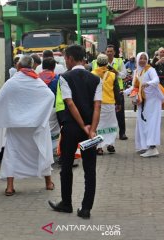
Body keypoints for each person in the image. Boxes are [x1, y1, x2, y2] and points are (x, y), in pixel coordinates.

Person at [0, 55, 55, 196]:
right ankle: (48, 183)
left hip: (16, 127)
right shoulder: (37, 81)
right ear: (32, 66)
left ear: (19, 66)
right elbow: (50, 96)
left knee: (12, 154)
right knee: (42, 150)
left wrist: (11, 115)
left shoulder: (12, 82)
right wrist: (38, 115)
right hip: (35, 126)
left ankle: (10, 187)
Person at [48, 45, 101, 219]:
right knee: (90, 169)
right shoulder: (95, 79)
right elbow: (97, 106)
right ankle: (86, 208)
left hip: (71, 128)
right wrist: (91, 129)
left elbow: (69, 103)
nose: (65, 61)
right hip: (89, 132)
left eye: (65, 58)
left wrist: (81, 125)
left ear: (70, 58)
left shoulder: (65, 77)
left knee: (66, 166)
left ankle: (66, 203)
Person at [125, 52, 163, 157]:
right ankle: (144, 146)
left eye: (144, 58)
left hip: (153, 101)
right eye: (140, 58)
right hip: (142, 101)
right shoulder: (136, 71)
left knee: (151, 124)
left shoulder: (150, 69)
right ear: (137, 59)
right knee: (142, 124)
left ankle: (153, 148)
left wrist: (148, 83)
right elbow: (134, 87)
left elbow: (156, 80)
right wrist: (124, 92)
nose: (142, 60)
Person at [92, 45, 127, 140]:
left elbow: (124, 75)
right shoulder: (96, 63)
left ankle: (122, 133)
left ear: (114, 52)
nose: (109, 53)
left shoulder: (119, 61)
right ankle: (109, 141)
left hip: (117, 91)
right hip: (105, 96)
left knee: (120, 115)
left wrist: (116, 72)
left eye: (111, 51)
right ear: (105, 52)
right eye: (108, 51)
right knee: (107, 121)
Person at [38, 57, 61, 190]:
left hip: (40, 110)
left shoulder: (36, 77)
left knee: (43, 131)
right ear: (54, 67)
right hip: (53, 108)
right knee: (54, 132)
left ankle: (44, 155)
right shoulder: (57, 78)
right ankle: (52, 154)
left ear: (42, 67)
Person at [92, 54, 121, 155]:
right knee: (111, 124)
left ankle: (99, 148)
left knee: (98, 125)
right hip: (110, 104)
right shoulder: (112, 75)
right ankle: (110, 145)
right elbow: (116, 91)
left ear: (97, 63)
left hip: (97, 104)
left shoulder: (92, 74)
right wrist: (119, 103)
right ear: (106, 63)